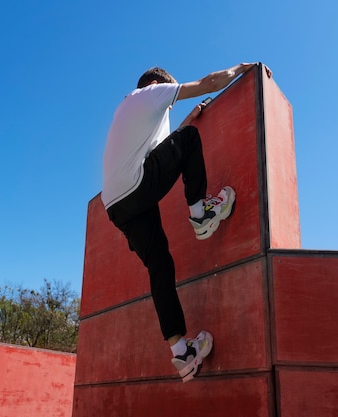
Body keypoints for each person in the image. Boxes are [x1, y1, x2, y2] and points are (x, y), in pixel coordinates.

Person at [101, 62, 256, 382]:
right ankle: (202, 215)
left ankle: (182, 353)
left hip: (117, 206)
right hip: (137, 186)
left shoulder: (129, 112)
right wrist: (243, 68)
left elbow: (159, 154)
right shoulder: (150, 93)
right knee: (189, 139)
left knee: (161, 267)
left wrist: (188, 118)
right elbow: (209, 82)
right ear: (157, 84)